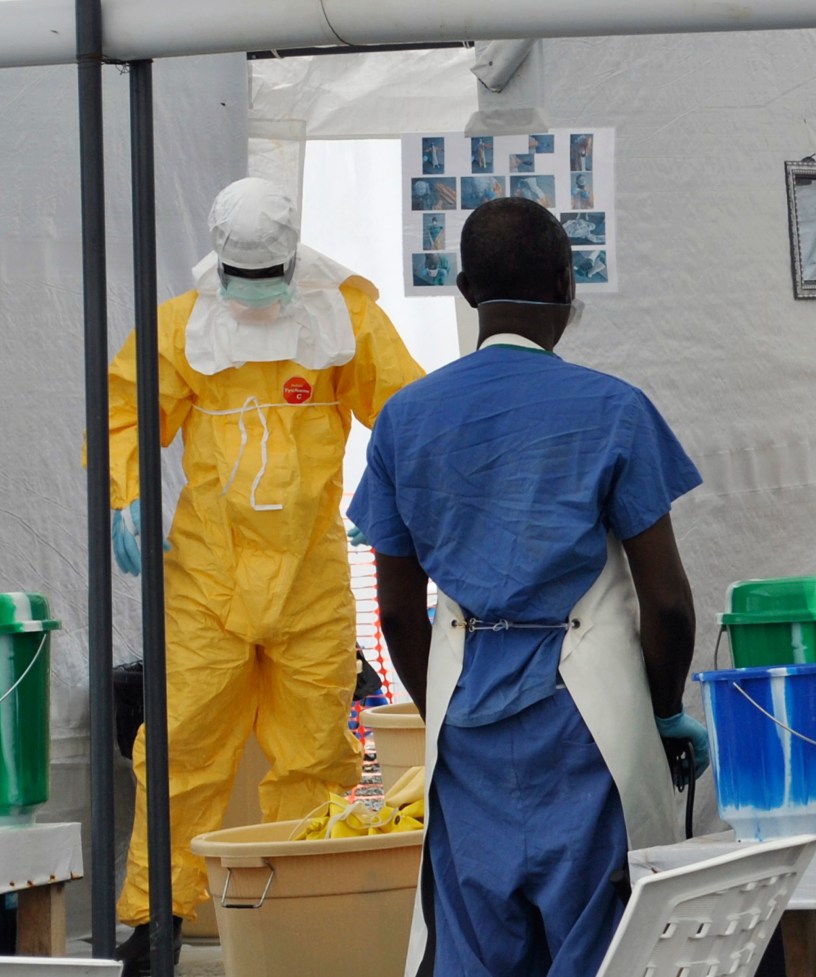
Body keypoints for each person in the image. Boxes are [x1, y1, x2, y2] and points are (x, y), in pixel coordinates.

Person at [348, 196, 707, 977]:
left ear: (466, 288)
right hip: (588, 726)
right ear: (567, 285)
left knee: (476, 949)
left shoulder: (404, 421)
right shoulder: (614, 409)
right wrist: (667, 709)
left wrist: (442, 697)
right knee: (603, 947)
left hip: (467, 724)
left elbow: (400, 615)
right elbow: (669, 603)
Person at [105, 177, 425, 976]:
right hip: (206, 580)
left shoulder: (344, 319)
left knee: (314, 755)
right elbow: (123, 411)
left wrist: (404, 496)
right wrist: (128, 494)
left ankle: (304, 928)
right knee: (180, 751)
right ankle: (158, 922)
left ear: (292, 257)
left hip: (309, 580)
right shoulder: (181, 328)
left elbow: (413, 413)